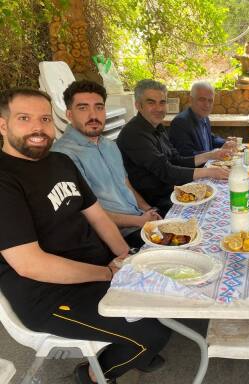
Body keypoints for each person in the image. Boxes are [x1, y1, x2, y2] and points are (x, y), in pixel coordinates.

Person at [0, 88, 171, 384]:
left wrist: (126, 258)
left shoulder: (60, 163)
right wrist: (107, 273)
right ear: (3, 125)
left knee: (168, 295)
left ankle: (129, 350)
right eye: (24, 118)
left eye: (44, 118)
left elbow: (98, 217)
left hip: (95, 267)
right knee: (153, 332)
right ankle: (92, 375)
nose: (38, 128)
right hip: (47, 295)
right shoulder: (5, 181)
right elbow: (30, 264)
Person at [52, 80, 161, 248]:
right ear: (69, 114)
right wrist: (140, 221)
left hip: (139, 220)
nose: (93, 115)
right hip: (116, 236)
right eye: (83, 108)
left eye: (99, 107)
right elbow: (87, 212)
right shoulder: (63, 155)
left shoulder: (109, 145)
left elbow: (125, 184)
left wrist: (148, 210)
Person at [117, 79, 232, 214]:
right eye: (151, 102)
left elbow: (176, 159)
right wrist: (209, 171)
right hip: (155, 203)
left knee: (223, 197)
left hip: (174, 190)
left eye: (162, 102)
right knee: (216, 208)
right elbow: (166, 171)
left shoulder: (157, 126)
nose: (159, 108)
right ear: (138, 105)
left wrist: (211, 155)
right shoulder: (134, 134)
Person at [168, 81, 236, 157]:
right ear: (191, 100)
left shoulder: (204, 117)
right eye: (202, 99)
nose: (207, 105)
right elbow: (186, 156)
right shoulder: (181, 122)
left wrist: (226, 143)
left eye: (210, 100)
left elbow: (210, 138)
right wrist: (214, 154)